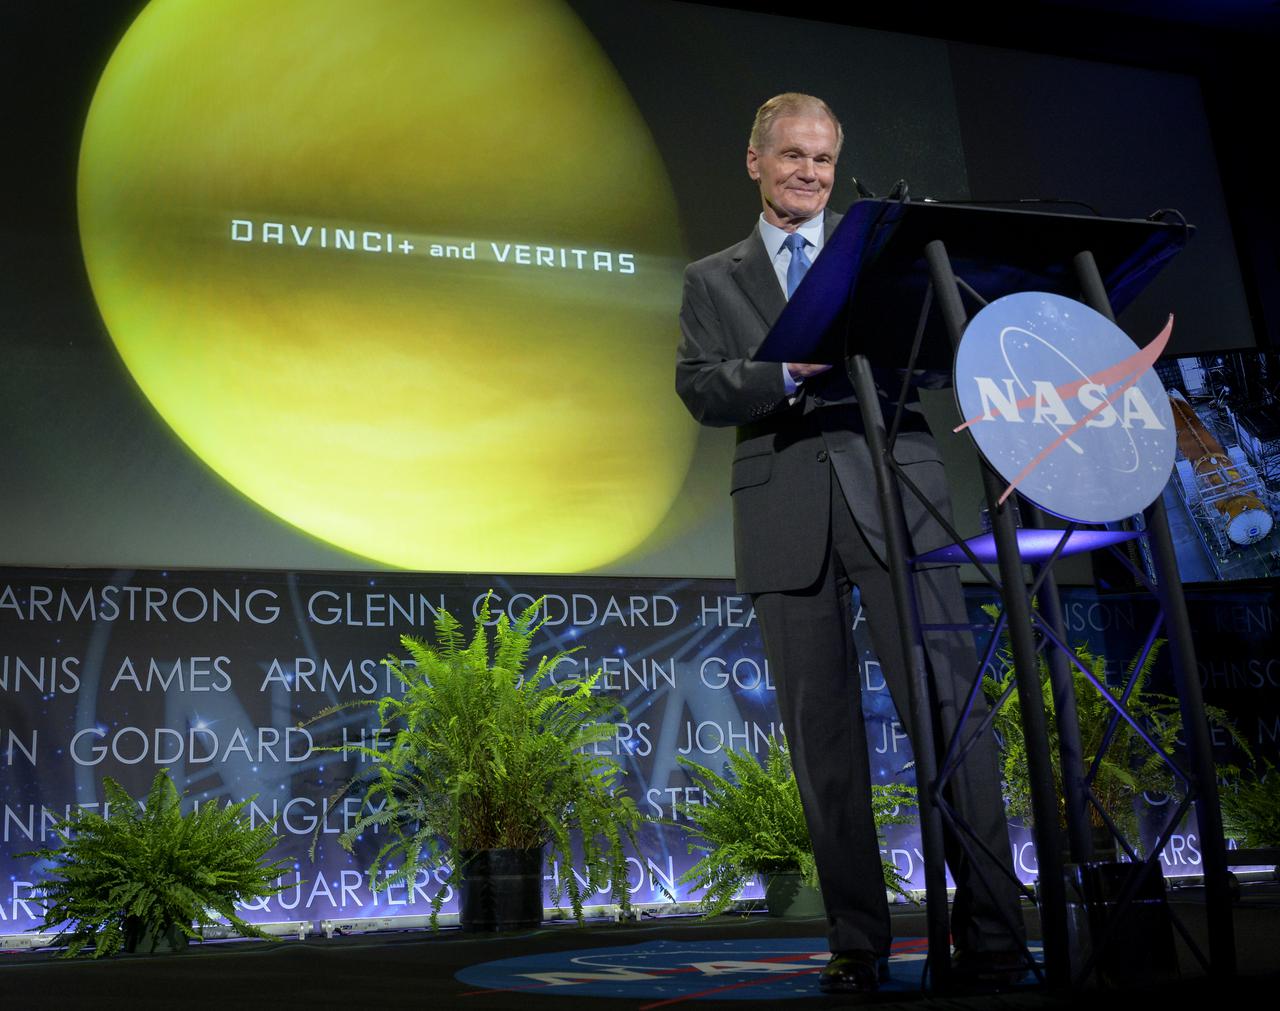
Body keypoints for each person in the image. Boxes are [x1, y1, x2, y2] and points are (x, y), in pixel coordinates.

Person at [675, 93, 1026, 995]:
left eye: (824, 160)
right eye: (792, 155)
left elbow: (942, 348)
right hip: (785, 516)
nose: (810, 172)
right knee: (824, 747)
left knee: (954, 719)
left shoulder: (884, 258)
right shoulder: (712, 278)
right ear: (754, 161)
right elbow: (702, 388)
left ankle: (993, 931)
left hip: (899, 498)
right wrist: (784, 372)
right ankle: (857, 942)